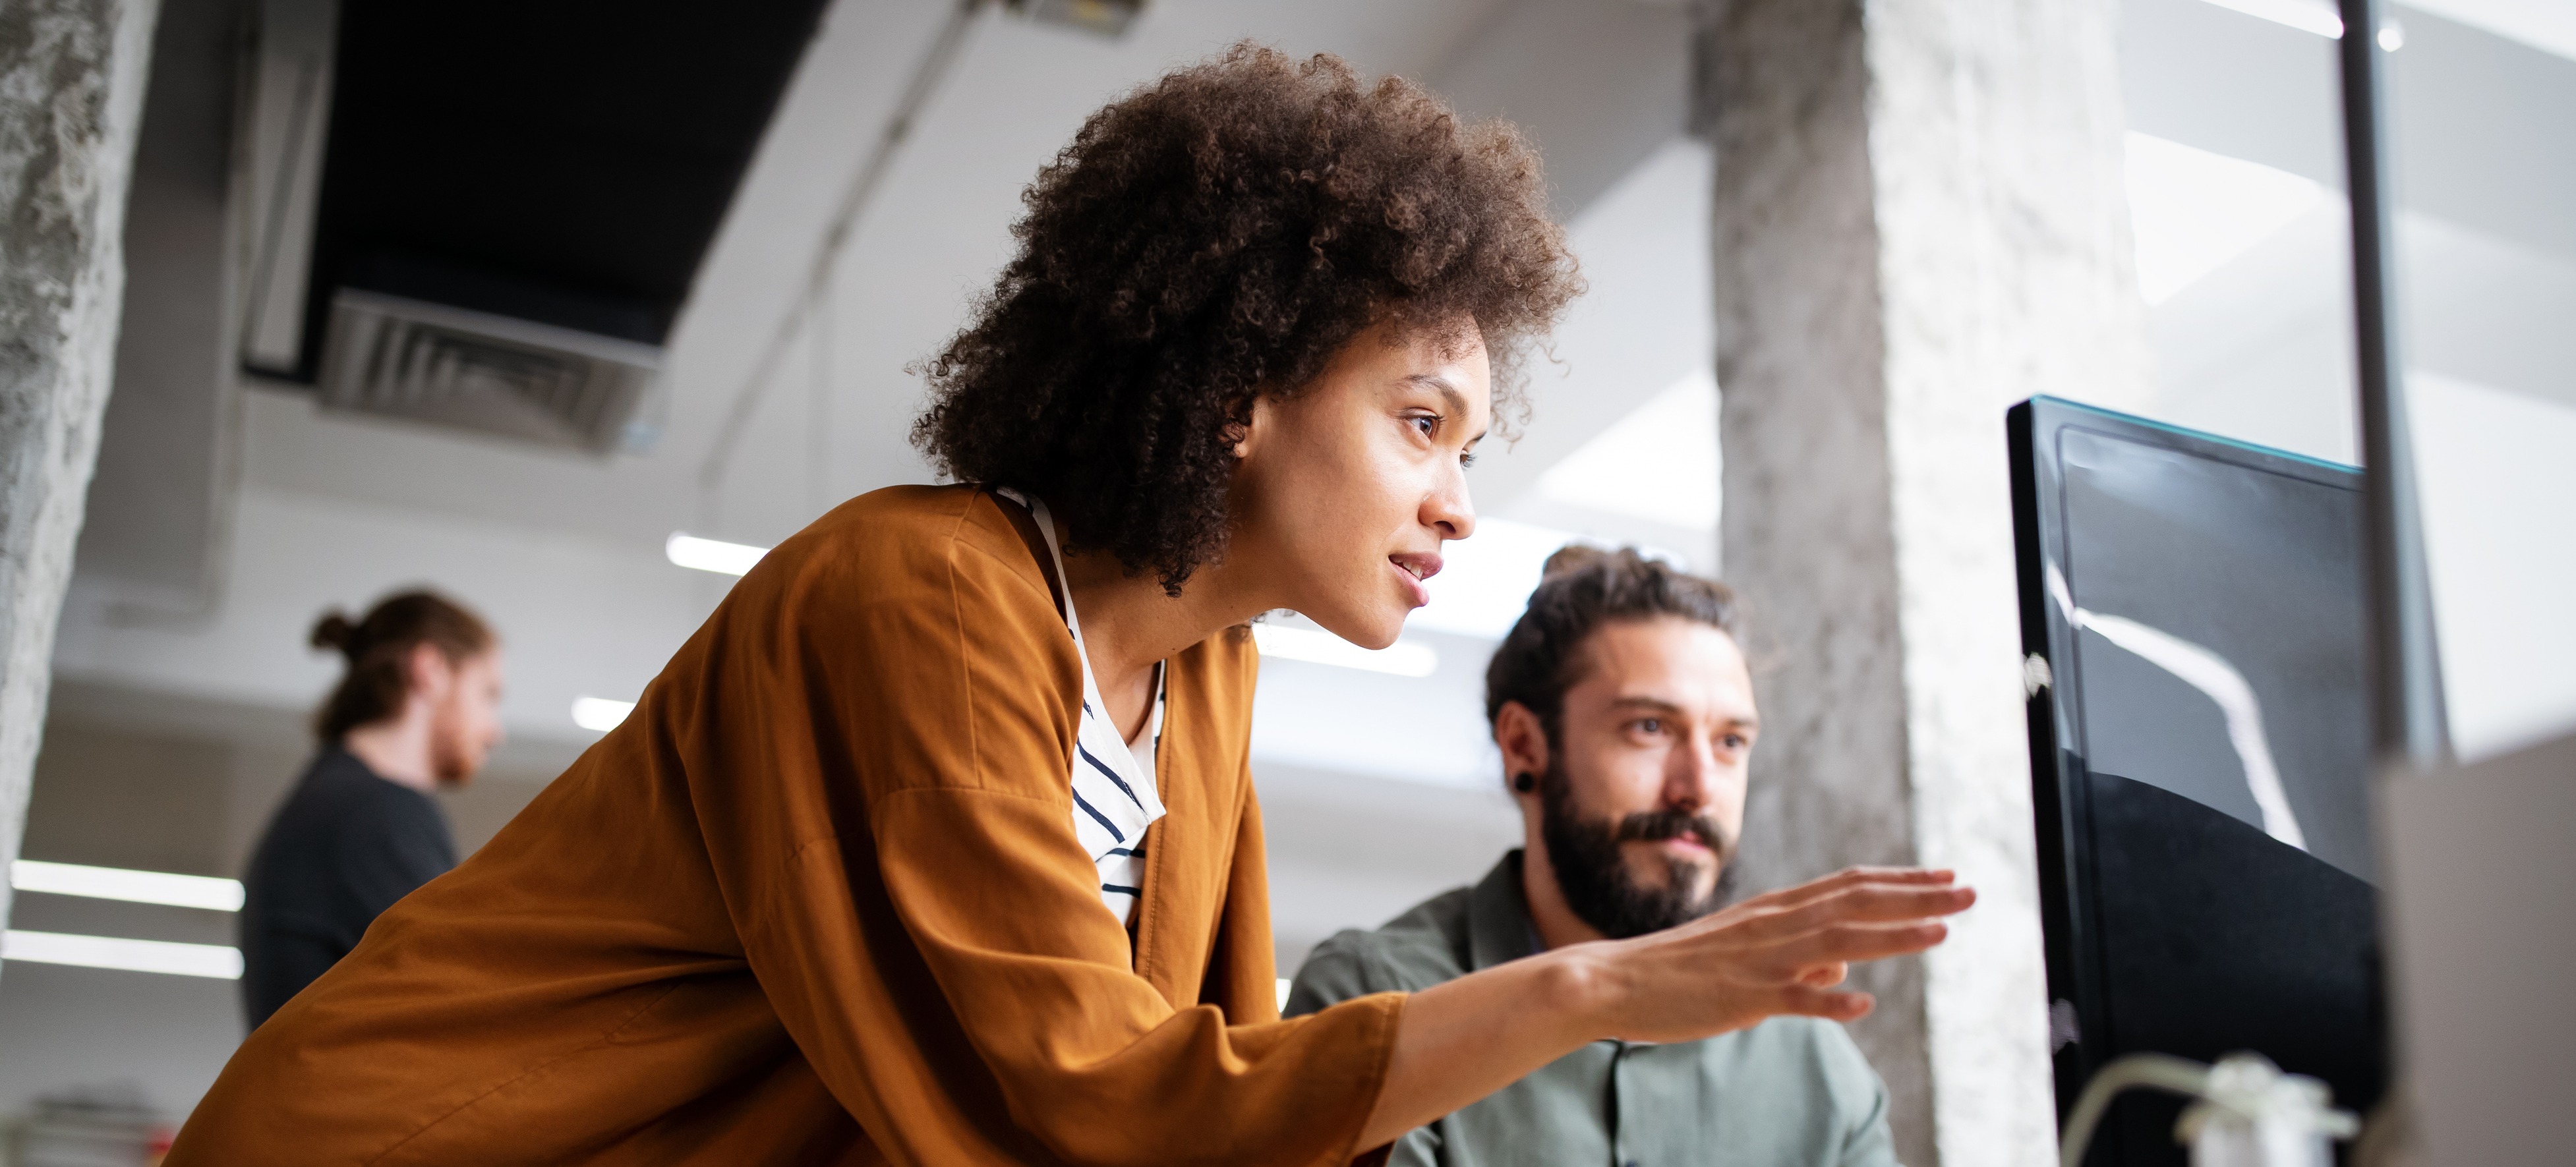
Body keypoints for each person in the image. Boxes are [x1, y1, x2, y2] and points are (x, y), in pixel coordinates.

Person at [169, 46, 1970, 1166]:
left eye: (1468, 445)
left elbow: (1214, 1086)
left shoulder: (1206, 677)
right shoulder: (919, 600)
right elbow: (1094, 1102)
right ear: (1240, 385)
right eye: (1419, 421)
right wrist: (1587, 989)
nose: (1454, 497)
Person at [1287, 547, 1900, 1165]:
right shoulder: (1373, 1000)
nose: (1699, 787)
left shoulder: (1815, 1063)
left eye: (1730, 741)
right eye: (1650, 727)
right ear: (1524, 745)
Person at [237, 590, 505, 1029]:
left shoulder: (340, 800)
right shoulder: (373, 811)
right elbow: (464, 1003)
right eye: (488, 694)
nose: (495, 731)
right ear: (431, 669)